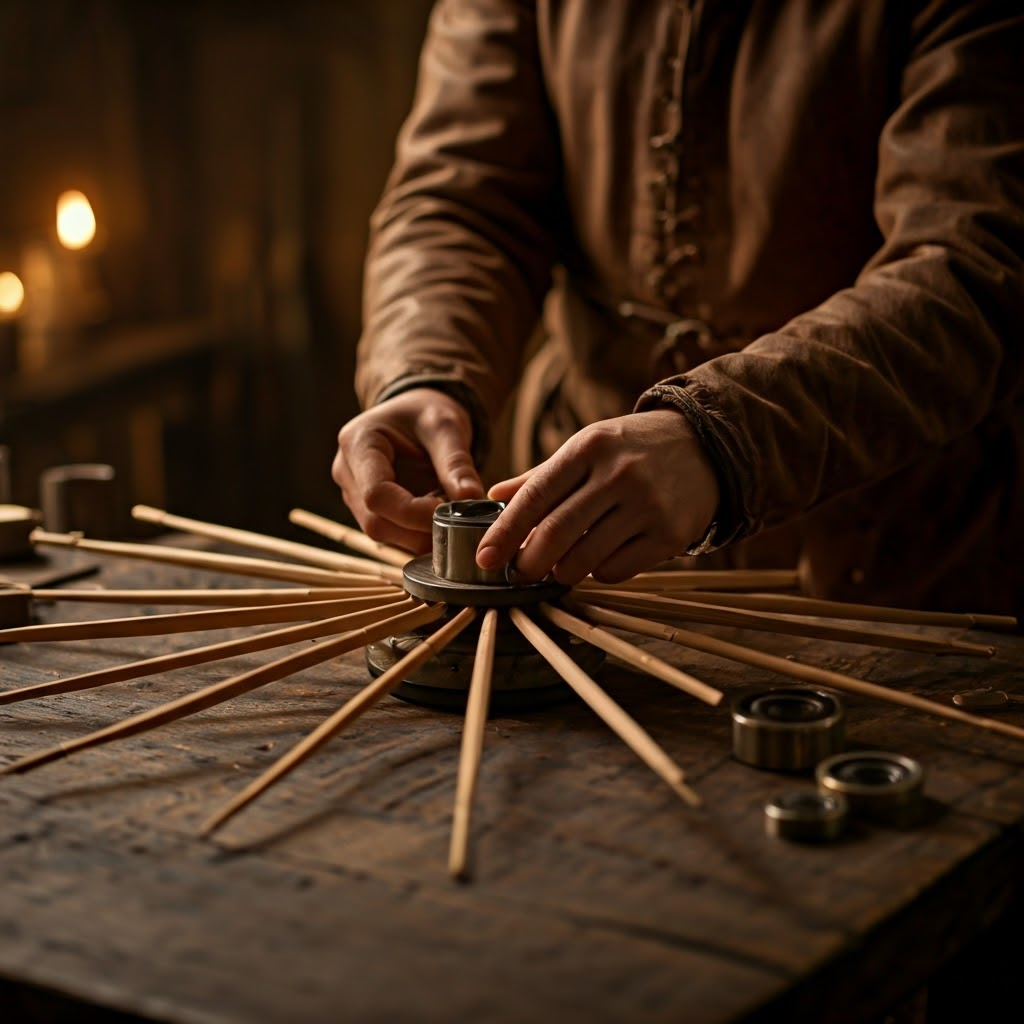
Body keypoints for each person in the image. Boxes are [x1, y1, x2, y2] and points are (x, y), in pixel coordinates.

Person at [333, 0, 1024, 615]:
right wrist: (424, 371)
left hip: (887, 557)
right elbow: (462, 201)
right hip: (576, 544)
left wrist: (726, 438)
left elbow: (978, 261)